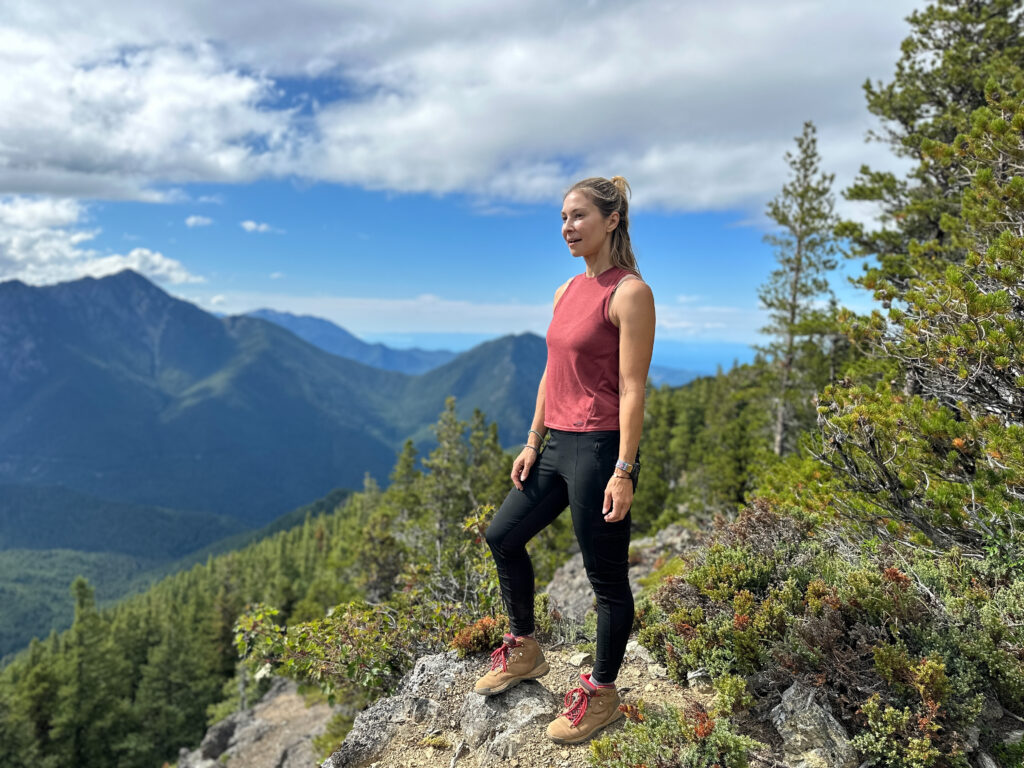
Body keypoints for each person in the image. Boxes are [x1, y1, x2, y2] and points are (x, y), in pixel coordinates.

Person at [473, 176, 656, 744]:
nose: (567, 228)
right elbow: (552, 373)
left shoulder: (629, 293)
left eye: (578, 217)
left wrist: (624, 470)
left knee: (605, 579)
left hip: (601, 449)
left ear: (612, 220)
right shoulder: (564, 293)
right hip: (556, 444)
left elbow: (632, 389)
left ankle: (602, 693)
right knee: (502, 535)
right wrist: (532, 441)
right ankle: (525, 647)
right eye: (562, 218)